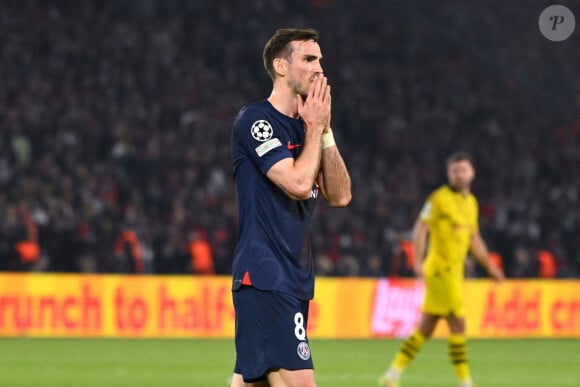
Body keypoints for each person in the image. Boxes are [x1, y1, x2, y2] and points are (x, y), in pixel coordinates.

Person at [229, 28, 352, 387]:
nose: (319, 68)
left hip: (293, 277)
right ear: (281, 66)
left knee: (254, 381)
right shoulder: (257, 121)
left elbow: (341, 196)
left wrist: (323, 130)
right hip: (265, 274)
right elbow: (299, 184)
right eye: (309, 59)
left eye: (321, 60)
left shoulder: (309, 129)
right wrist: (314, 128)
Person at [379, 152, 504, 387]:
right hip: (439, 271)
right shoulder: (438, 199)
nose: (459, 175)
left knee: (425, 328)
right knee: (458, 324)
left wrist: (490, 266)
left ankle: (392, 375)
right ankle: (465, 382)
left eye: (463, 170)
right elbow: (420, 229)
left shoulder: (472, 203)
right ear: (449, 174)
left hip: (455, 273)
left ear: (472, 173)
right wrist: (417, 261)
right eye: (455, 171)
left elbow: (474, 239)